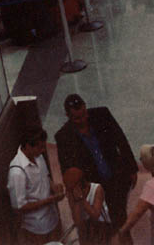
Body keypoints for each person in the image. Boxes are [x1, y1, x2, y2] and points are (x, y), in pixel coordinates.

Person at [55, 94, 138, 229]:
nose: (82, 119)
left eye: (84, 114)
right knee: (101, 224)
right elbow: (66, 169)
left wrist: (132, 169)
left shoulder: (102, 115)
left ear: (85, 107)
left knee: (120, 218)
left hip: (116, 179)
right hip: (93, 186)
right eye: (77, 118)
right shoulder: (63, 136)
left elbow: (121, 140)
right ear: (67, 116)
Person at [7, 127, 64, 245]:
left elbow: (46, 177)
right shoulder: (17, 172)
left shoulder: (38, 156)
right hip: (36, 227)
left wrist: (54, 187)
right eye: (40, 147)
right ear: (28, 146)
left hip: (52, 218)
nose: (43, 150)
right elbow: (20, 206)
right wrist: (49, 200)